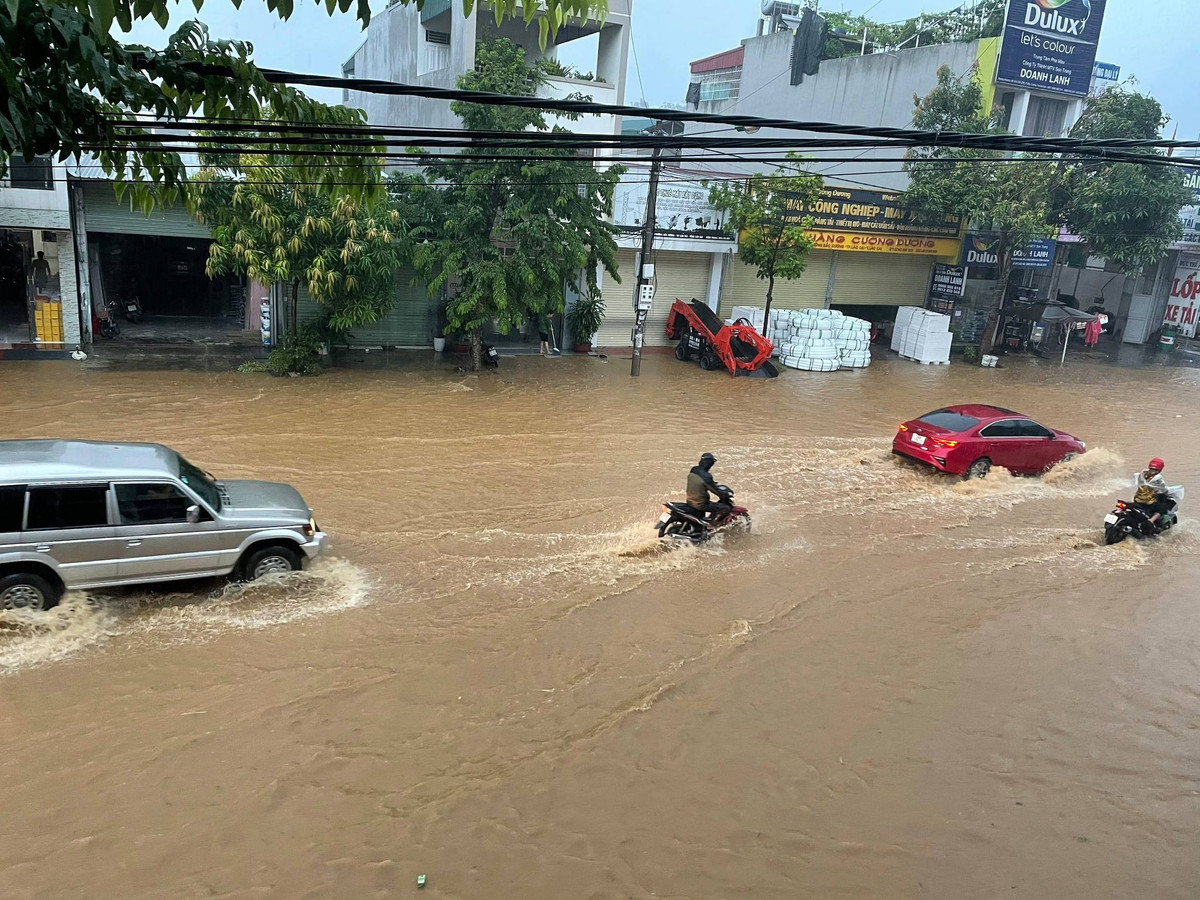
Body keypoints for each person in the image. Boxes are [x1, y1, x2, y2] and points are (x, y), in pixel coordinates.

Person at [687, 452, 733, 521]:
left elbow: (700, 483)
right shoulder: (706, 476)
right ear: (710, 463)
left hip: (690, 501)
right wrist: (724, 494)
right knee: (726, 508)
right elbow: (715, 491)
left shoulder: (694, 470)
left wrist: (712, 483)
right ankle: (713, 524)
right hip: (700, 504)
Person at [1133, 458, 1175, 526]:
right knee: (1163, 508)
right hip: (1149, 502)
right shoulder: (1158, 477)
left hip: (1137, 500)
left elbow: (1140, 484)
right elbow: (1162, 488)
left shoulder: (1142, 473)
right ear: (1161, 469)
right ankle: (1151, 520)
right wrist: (1166, 491)